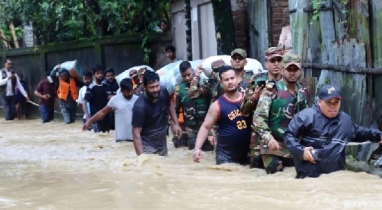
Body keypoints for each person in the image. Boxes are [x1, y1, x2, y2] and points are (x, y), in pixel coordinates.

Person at [284, 85, 382, 178]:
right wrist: (301, 151)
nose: (333, 106)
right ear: (319, 101)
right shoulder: (306, 117)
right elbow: (289, 136)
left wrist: (378, 136)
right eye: (328, 102)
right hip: (309, 179)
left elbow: (360, 132)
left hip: (336, 179)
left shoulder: (346, 121)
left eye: (336, 102)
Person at [251, 54, 308, 174]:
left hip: (293, 145)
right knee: (277, 173)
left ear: (300, 71)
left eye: (295, 70)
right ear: (282, 70)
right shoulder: (271, 90)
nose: (292, 73)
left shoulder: (302, 92)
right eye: (289, 69)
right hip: (272, 144)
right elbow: (258, 119)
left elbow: (307, 120)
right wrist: (268, 138)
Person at [193, 66, 252, 165]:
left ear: (237, 79)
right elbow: (205, 127)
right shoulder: (217, 105)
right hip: (225, 156)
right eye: (226, 80)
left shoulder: (249, 99)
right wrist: (197, 148)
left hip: (247, 154)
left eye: (232, 78)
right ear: (221, 83)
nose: (230, 82)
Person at [131, 71, 182, 156]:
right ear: (144, 87)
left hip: (161, 142)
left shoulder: (163, 92)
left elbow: (169, 104)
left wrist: (176, 123)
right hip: (147, 146)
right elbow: (136, 133)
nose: (155, 90)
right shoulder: (139, 107)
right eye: (151, 87)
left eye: (157, 86)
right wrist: (141, 157)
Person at [173, 61, 214, 151]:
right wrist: (176, 128)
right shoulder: (179, 90)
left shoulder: (204, 85)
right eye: (184, 76)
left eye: (189, 74)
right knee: (193, 152)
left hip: (207, 128)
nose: (187, 78)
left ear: (193, 70)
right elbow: (174, 111)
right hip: (191, 129)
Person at [240, 47, 284, 116]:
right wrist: (254, 98)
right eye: (272, 61)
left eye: (279, 60)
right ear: (266, 64)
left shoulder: (287, 81)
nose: (276, 64)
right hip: (259, 124)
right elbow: (243, 111)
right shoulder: (257, 80)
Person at [83, 64, 110, 133]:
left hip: (106, 118)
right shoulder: (91, 87)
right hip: (95, 119)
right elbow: (84, 102)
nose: (100, 75)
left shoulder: (105, 86)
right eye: (98, 73)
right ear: (94, 75)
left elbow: (109, 98)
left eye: (101, 73)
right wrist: (87, 116)